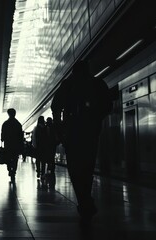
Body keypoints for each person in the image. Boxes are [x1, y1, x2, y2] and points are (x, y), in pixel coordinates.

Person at [51, 59, 112, 225]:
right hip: (91, 133)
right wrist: (95, 117)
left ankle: (83, 200)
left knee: (75, 169)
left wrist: (59, 129)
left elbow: (55, 107)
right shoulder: (97, 83)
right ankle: (85, 199)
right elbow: (108, 106)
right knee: (87, 167)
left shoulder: (67, 85)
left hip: (72, 134)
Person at [1, 108, 23, 182]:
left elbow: (3, 134)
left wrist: (3, 139)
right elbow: (21, 136)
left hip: (8, 144)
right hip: (16, 145)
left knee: (8, 157)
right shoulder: (18, 124)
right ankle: (14, 171)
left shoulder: (5, 123)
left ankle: (9, 169)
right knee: (15, 158)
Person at [44, 117, 57, 189]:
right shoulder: (53, 127)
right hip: (52, 145)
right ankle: (52, 168)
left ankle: (50, 166)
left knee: (49, 156)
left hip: (48, 145)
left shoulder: (46, 127)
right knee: (52, 156)